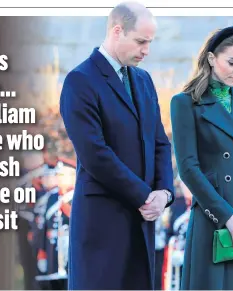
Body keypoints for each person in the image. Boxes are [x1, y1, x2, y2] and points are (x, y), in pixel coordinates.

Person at [59, 2, 175, 289]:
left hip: (142, 224)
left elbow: (160, 141)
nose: (146, 50)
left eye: (150, 42)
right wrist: (145, 196)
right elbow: (95, 154)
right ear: (117, 31)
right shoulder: (80, 81)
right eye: (141, 41)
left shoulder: (144, 80)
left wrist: (164, 192)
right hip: (103, 225)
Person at [170, 25, 233, 290]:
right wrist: (226, 216)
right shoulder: (185, 103)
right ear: (212, 59)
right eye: (232, 62)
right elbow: (188, 169)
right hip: (213, 217)